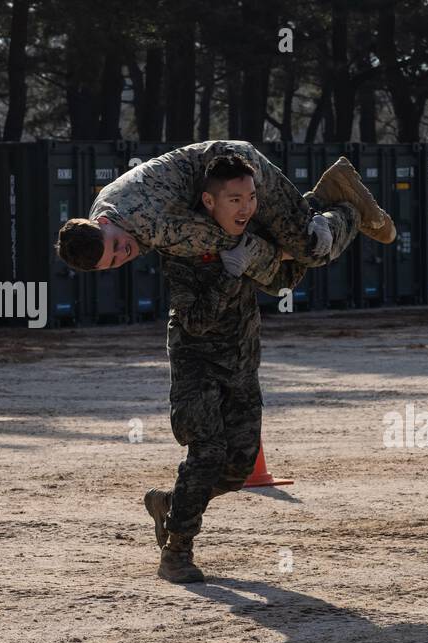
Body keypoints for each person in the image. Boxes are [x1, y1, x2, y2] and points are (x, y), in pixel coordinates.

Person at [143, 154, 362, 583]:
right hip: (197, 366)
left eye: (251, 198)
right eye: (234, 199)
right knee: (206, 454)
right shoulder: (185, 248)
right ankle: (177, 552)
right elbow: (197, 320)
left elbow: (287, 274)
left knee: (239, 466)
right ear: (209, 201)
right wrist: (230, 273)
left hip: (241, 364)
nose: (245, 208)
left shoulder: (250, 238)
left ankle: (171, 502)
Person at [54, 141, 394, 272]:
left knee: (311, 249)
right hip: (210, 189)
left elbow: (233, 241)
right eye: (114, 261)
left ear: (100, 222)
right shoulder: (106, 211)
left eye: (116, 246)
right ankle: (323, 197)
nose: (123, 252)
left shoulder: (154, 226)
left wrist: (282, 252)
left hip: (238, 172)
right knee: (283, 235)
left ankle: (349, 208)